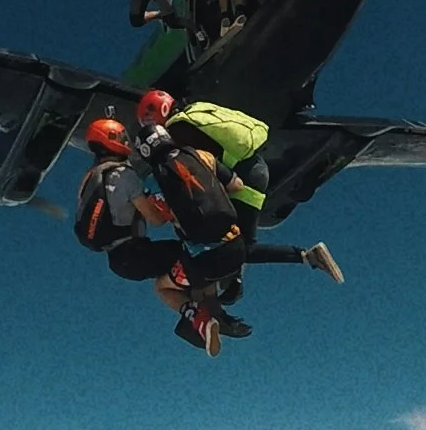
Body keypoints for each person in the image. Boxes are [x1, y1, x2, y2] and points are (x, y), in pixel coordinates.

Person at [131, 90, 344, 308]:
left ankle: (305, 255)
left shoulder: (179, 131)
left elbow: (202, 170)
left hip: (240, 177)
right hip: (258, 167)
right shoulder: (197, 110)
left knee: (236, 247)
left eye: (149, 119)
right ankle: (239, 280)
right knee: (243, 245)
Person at [74, 116, 249, 354]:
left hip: (119, 260)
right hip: (135, 252)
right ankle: (208, 317)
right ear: (113, 140)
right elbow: (155, 219)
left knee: (173, 276)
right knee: (193, 260)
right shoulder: (124, 176)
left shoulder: (91, 177)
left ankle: (199, 317)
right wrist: (176, 208)